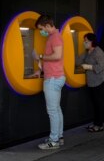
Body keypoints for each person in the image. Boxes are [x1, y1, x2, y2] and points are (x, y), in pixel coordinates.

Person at [30, 15, 66, 149]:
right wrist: (40, 70)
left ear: (47, 25)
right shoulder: (53, 37)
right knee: (56, 109)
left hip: (53, 79)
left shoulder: (55, 37)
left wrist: (39, 56)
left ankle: (54, 141)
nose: (41, 32)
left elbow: (57, 56)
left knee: (52, 111)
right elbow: (51, 60)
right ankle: (59, 137)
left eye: (41, 29)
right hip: (55, 77)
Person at [76, 33, 104, 132]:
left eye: (86, 41)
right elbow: (78, 61)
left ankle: (99, 125)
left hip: (98, 81)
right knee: (94, 104)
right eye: (84, 41)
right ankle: (95, 123)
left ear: (92, 41)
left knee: (99, 104)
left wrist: (89, 67)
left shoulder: (98, 52)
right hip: (91, 82)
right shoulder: (87, 52)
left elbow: (100, 67)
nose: (84, 43)